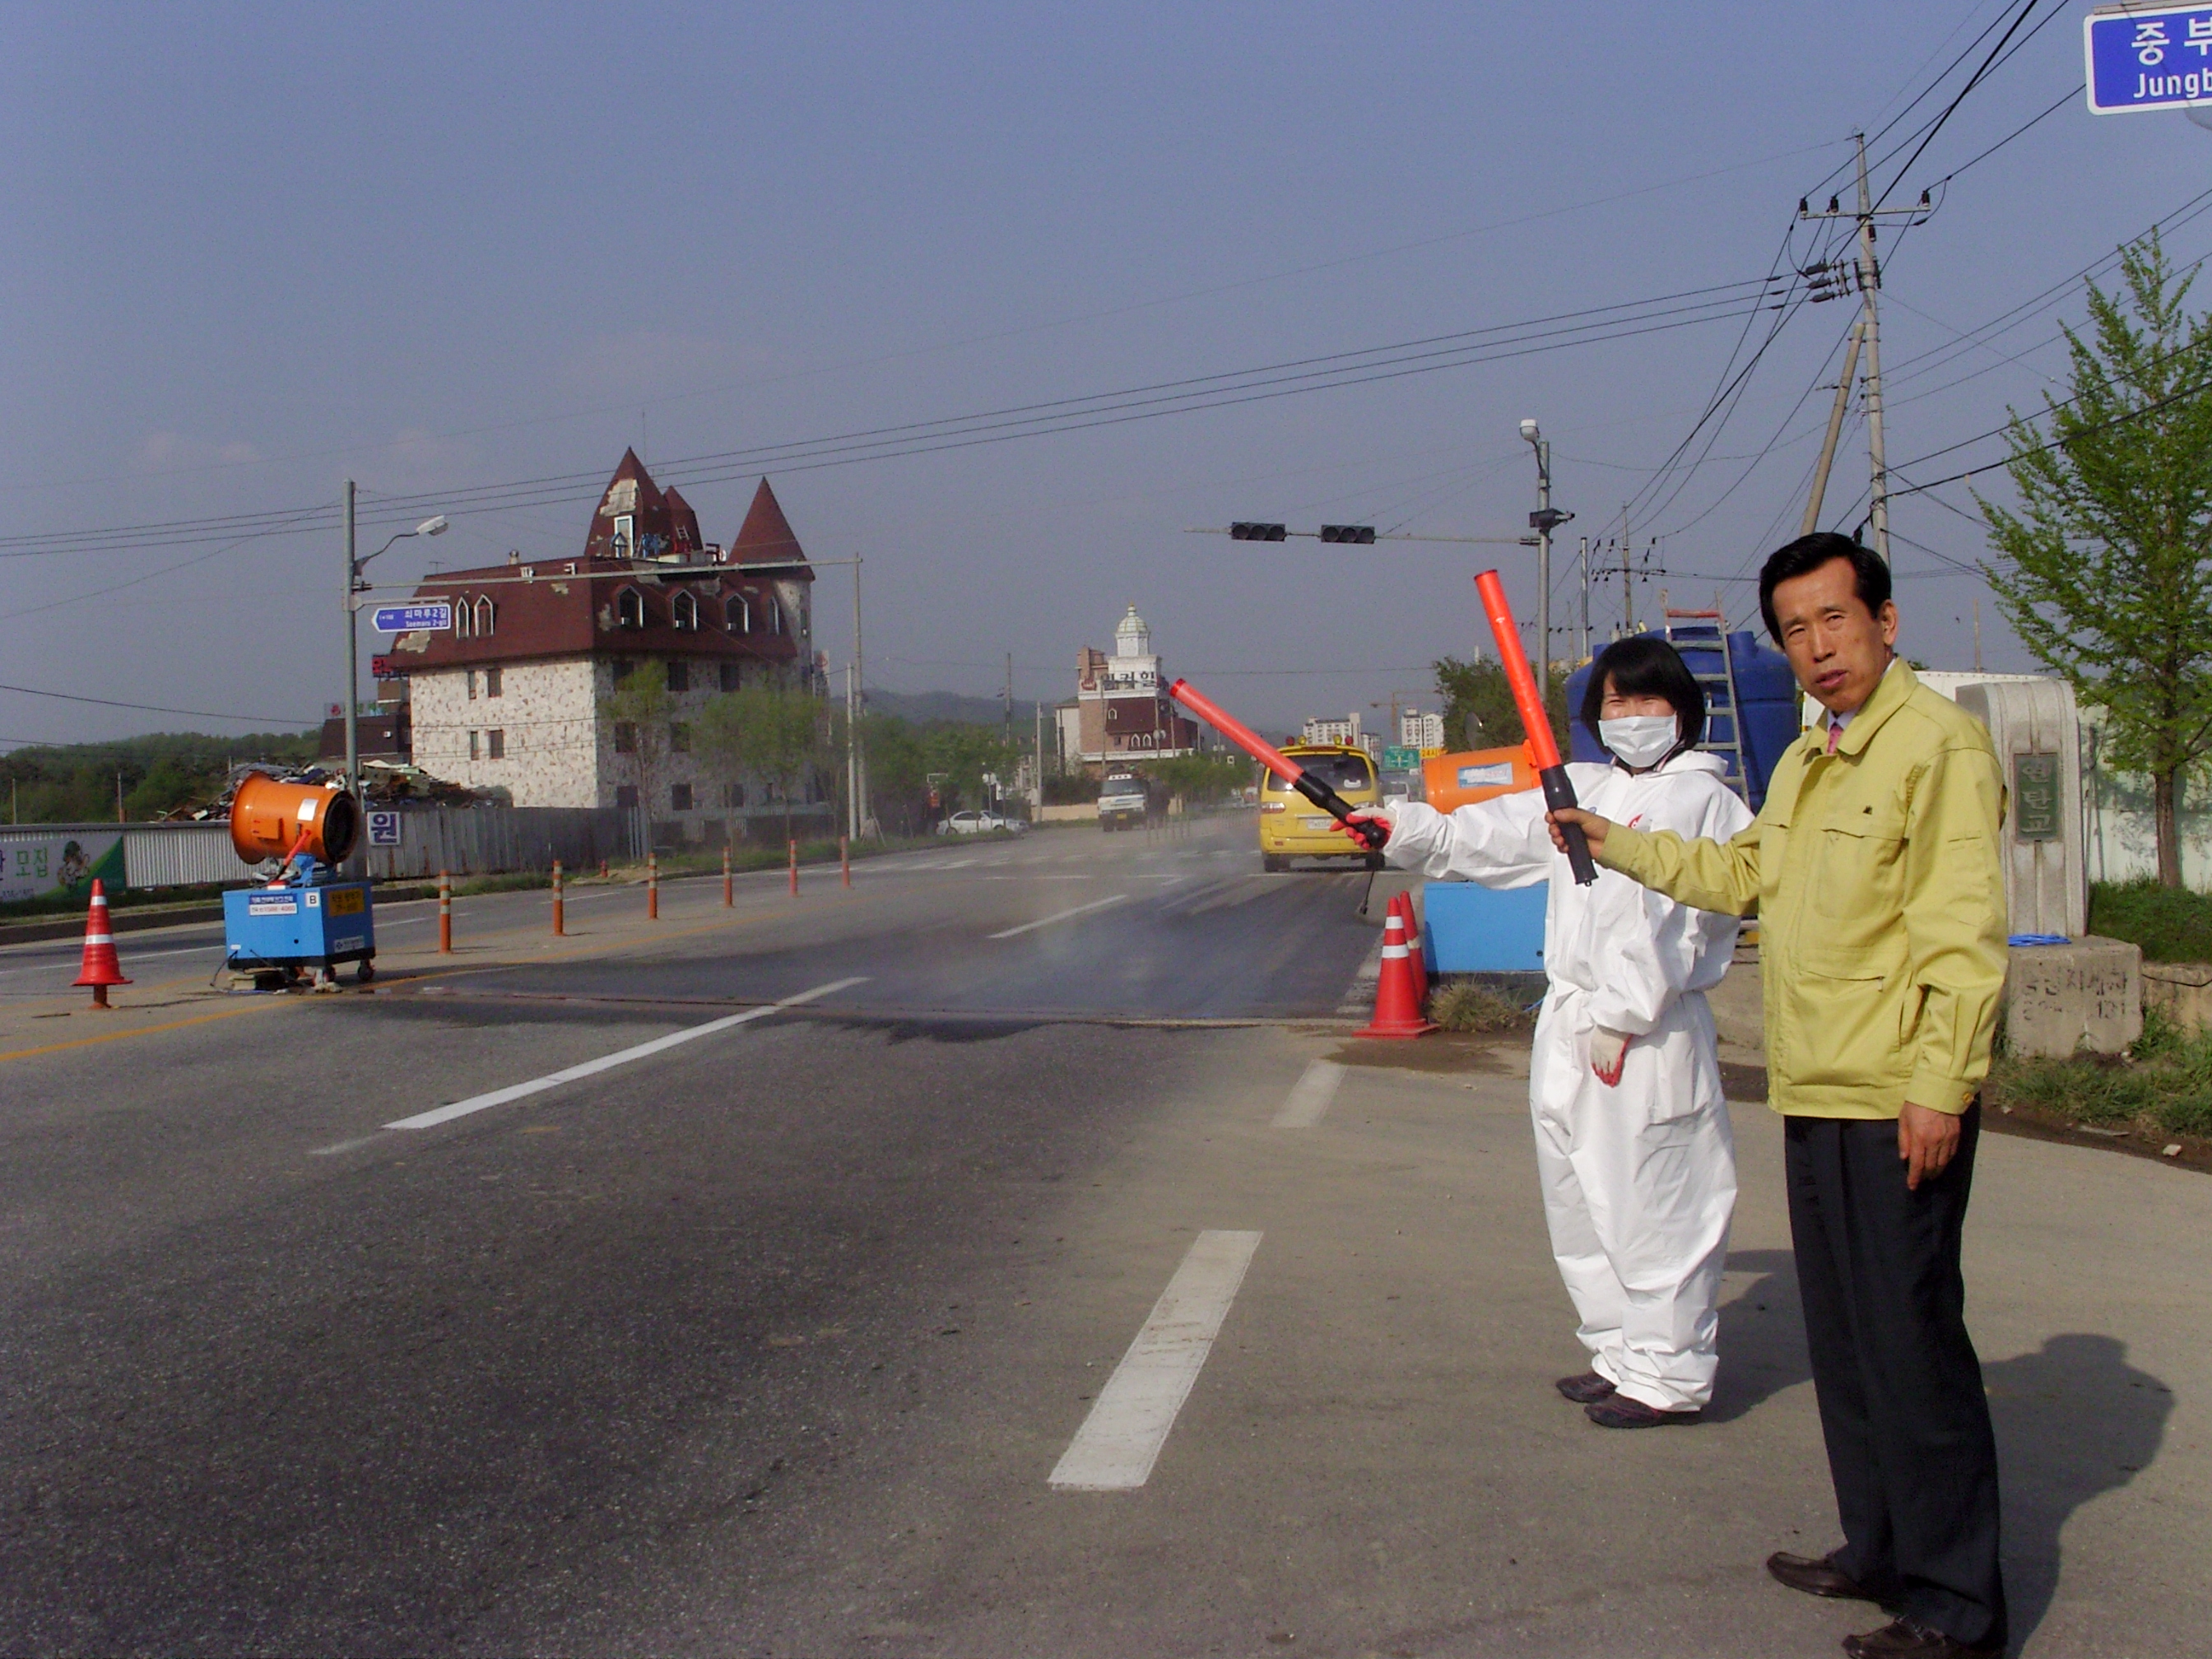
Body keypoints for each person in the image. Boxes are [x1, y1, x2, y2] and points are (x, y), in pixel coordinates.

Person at [1547, 534, 2010, 1659]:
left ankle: (1957, 1605)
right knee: (1848, 1338)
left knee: (1911, 1341)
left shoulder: (1936, 747)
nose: (1818, 647)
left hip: (1901, 1088)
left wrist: (1941, 1086)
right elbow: (1745, 874)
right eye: (1796, 630)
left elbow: (1962, 932)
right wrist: (1616, 843)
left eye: (1835, 621)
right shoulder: (1812, 757)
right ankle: (1878, 1549)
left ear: (1886, 623)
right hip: (1820, 1080)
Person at [1345, 636, 1753, 1428]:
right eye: (1614, 702)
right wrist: (1401, 827)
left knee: (1656, 1202)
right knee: (1578, 1198)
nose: (1630, 716)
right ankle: (1619, 1352)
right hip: (1569, 1019)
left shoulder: (1702, 801)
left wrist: (1624, 1015)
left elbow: (1674, 921)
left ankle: (1669, 1375)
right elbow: (1492, 833)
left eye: (1647, 700)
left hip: (1645, 1028)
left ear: (1684, 709)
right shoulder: (1585, 786)